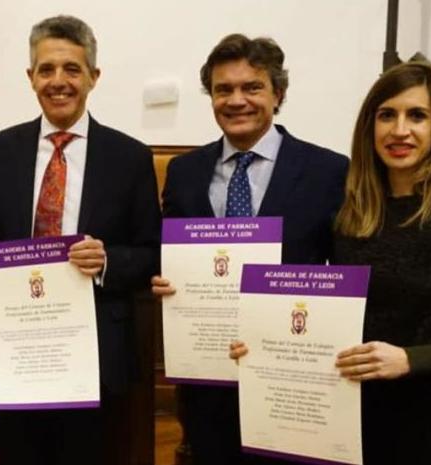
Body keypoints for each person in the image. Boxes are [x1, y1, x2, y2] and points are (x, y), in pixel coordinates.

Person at [230, 60, 431, 464]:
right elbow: (317, 302)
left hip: (422, 422)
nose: (399, 130)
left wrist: (409, 359)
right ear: (370, 125)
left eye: (417, 115)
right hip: (342, 415)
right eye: (387, 115)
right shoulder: (350, 212)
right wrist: (266, 344)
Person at [0, 15, 161, 465]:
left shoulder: (130, 157)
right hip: (13, 351)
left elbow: (153, 251)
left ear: (93, 76)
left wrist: (107, 261)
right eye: (46, 69)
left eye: (72, 68)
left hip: (96, 356)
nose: (58, 81)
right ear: (31, 77)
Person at [149, 33, 348, 465]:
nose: (236, 100)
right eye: (223, 89)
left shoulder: (328, 171)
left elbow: (345, 269)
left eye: (252, 87)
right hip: (208, 377)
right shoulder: (184, 172)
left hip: (291, 377)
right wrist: (164, 279)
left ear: (278, 93)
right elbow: (166, 251)